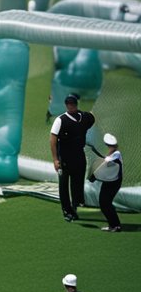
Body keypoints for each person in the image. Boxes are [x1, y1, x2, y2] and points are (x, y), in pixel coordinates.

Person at [50, 93, 96, 222]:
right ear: (66, 105)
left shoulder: (84, 117)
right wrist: (55, 159)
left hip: (79, 157)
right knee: (64, 186)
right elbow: (53, 140)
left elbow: (93, 116)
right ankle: (67, 210)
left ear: (76, 104)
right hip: (64, 159)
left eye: (73, 103)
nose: (70, 106)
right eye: (68, 104)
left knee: (78, 183)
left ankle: (77, 207)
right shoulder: (60, 120)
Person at [89, 132, 123, 232]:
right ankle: (113, 224)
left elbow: (106, 164)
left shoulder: (116, 155)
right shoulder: (113, 154)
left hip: (114, 182)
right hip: (109, 181)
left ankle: (115, 225)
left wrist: (94, 176)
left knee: (105, 203)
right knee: (104, 202)